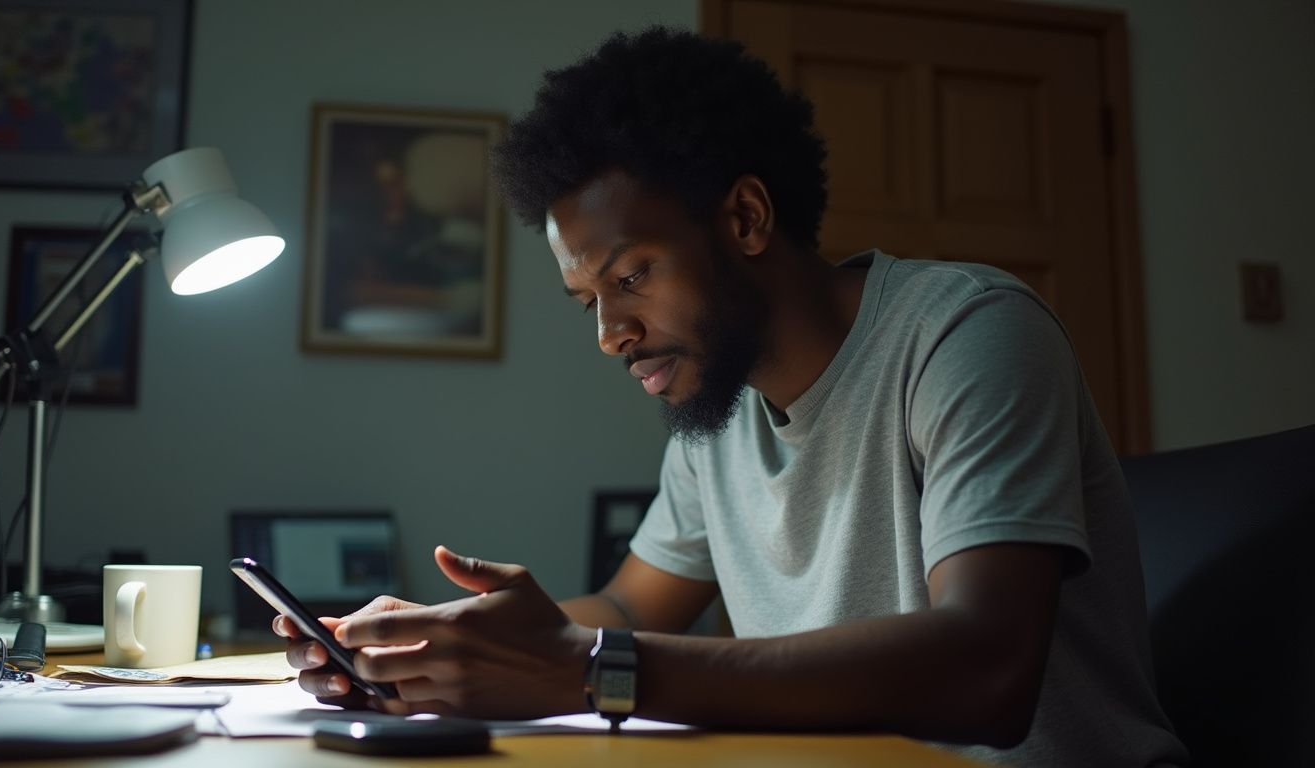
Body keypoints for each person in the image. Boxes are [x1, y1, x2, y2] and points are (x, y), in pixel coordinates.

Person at [277, 28, 1188, 767]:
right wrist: (443, 646)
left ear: (747, 219)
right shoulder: (717, 413)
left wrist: (593, 671)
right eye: (588, 300)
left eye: (632, 275)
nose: (610, 333)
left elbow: (988, 671)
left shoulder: (967, 334)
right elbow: (632, 612)